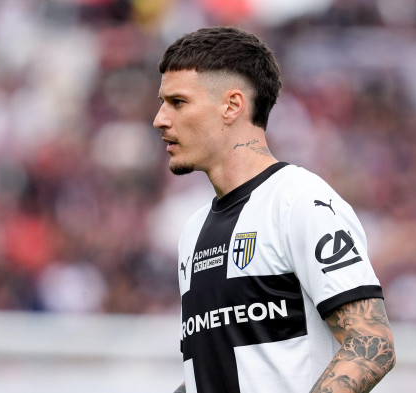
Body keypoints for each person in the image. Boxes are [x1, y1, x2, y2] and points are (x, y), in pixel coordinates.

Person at [153, 26, 396, 393]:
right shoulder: (193, 230)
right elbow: (217, 372)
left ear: (232, 105)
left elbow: (372, 345)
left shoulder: (299, 201)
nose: (160, 119)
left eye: (178, 102)